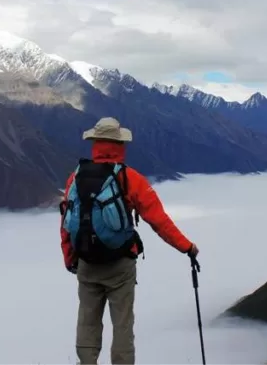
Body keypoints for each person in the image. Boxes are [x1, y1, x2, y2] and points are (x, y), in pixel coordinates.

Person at [59, 116, 199, 365]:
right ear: (119, 145)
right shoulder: (130, 178)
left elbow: (67, 222)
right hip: (120, 265)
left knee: (87, 321)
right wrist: (187, 247)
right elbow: (159, 221)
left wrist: (70, 257)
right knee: (122, 323)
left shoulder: (75, 177)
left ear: (95, 143)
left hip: (86, 263)